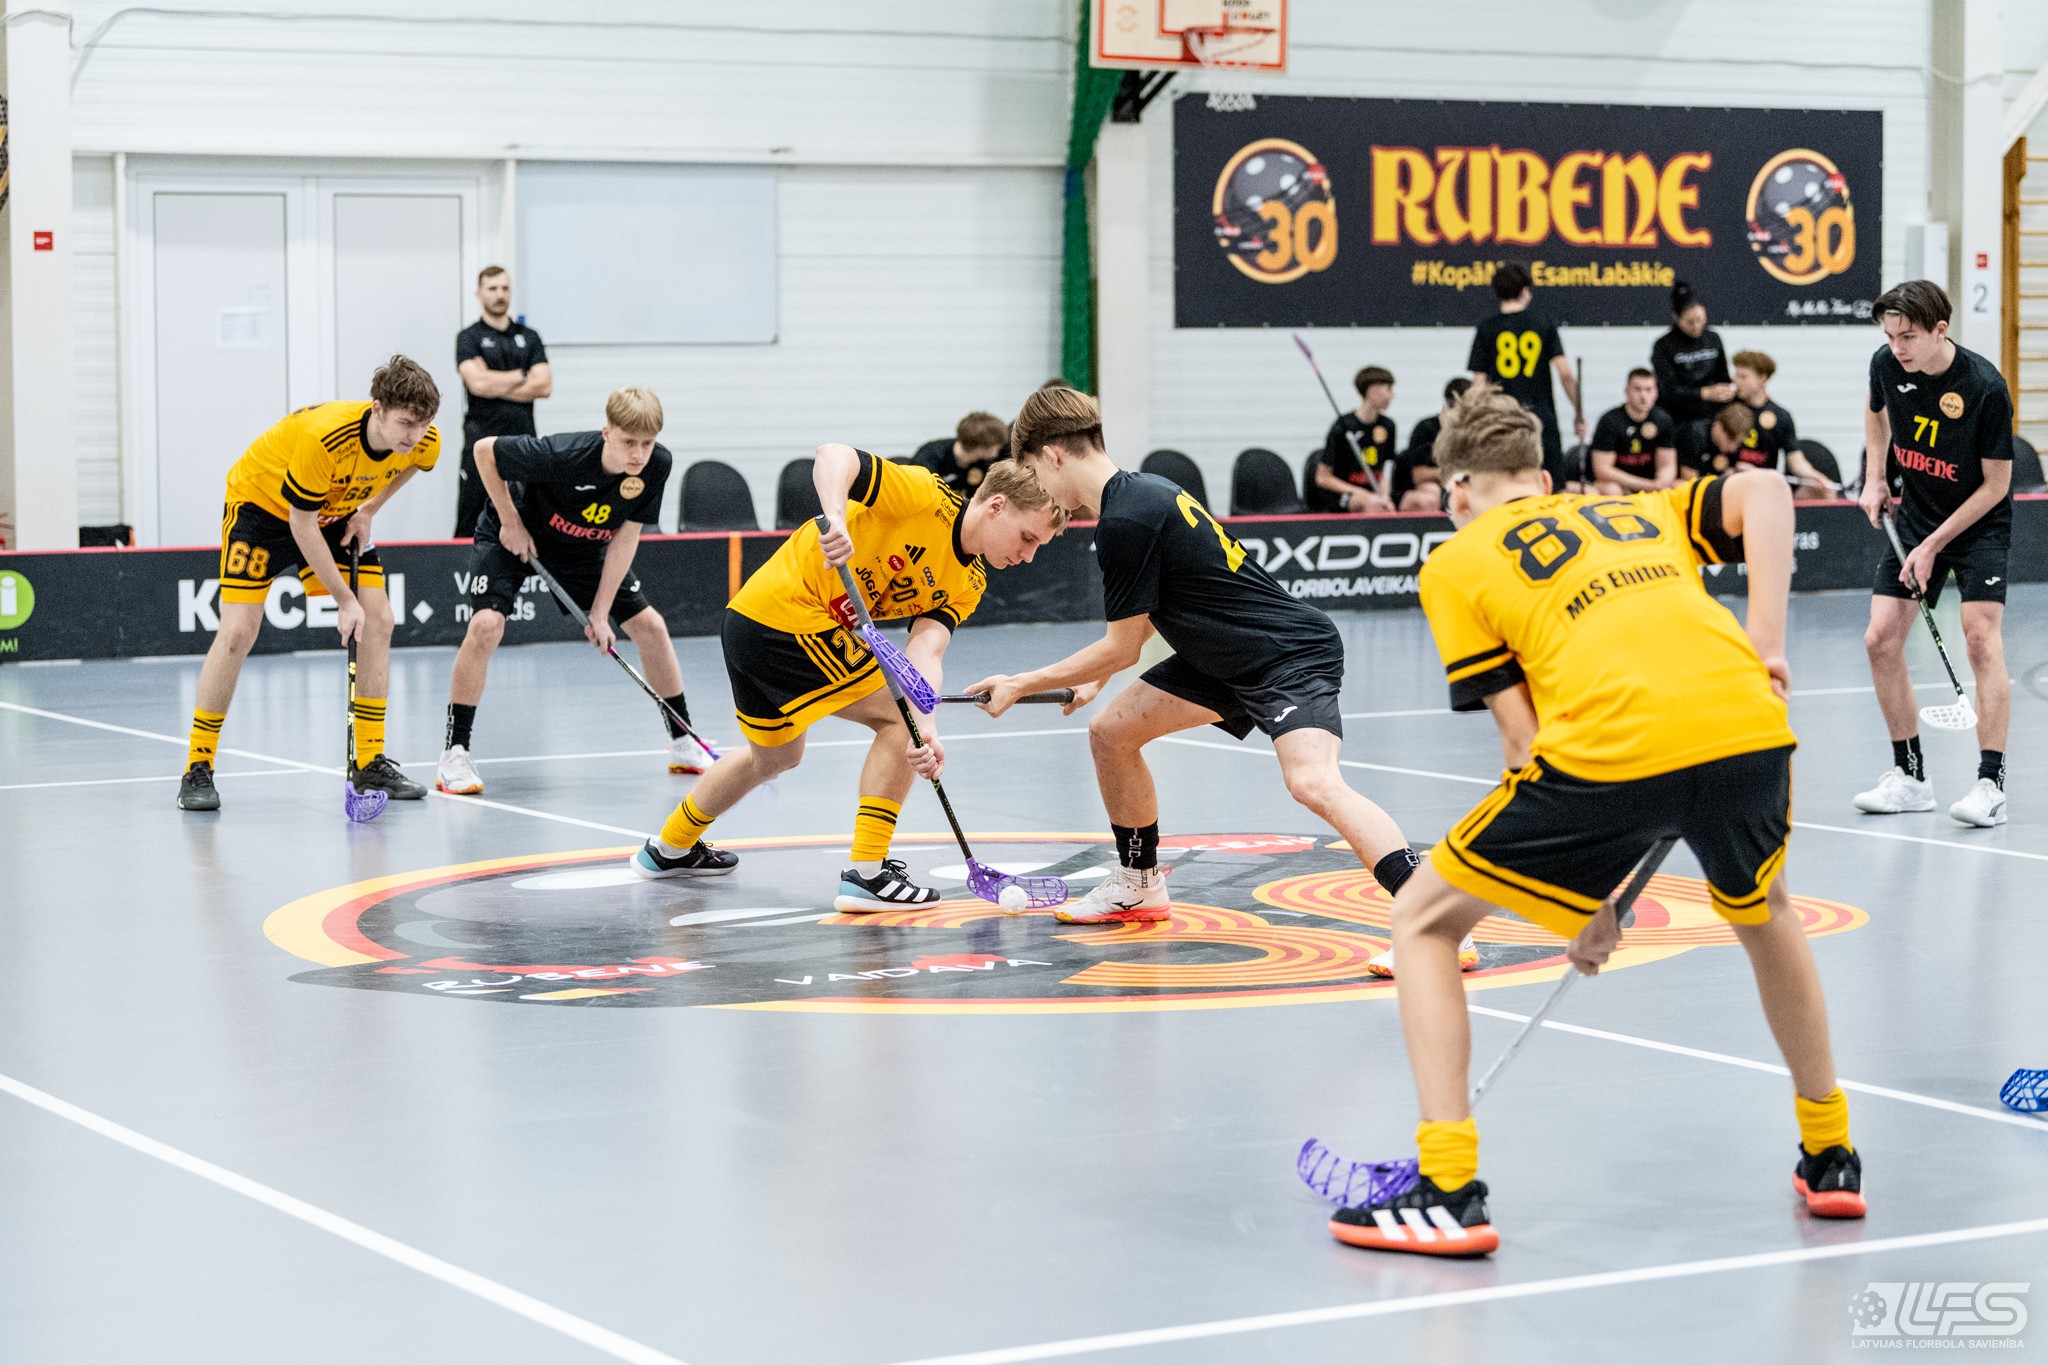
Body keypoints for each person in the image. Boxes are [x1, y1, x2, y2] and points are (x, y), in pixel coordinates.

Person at [1326, 389, 1863, 1258]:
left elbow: (1524, 743)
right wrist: (1767, 644)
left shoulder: (1455, 563)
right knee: (1765, 913)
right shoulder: (1636, 510)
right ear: (1544, 478)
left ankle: (1448, 1186)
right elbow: (1767, 490)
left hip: (1612, 755)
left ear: (1455, 492)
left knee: (1422, 919)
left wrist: (1581, 904)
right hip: (1751, 731)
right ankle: (1831, 1150)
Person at [969, 386, 1450, 952]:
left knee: (1313, 782)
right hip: (1221, 659)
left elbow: (1121, 648)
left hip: (1285, 654)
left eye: (1031, 471)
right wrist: (1093, 680)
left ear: (1051, 455)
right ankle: (1139, 884)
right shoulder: (1147, 493)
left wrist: (1020, 683)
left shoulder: (1126, 519)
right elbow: (1155, 608)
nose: (1038, 490)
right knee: (1112, 732)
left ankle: (1433, 921)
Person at [628, 448, 1066, 909]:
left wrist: (927, 726)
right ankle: (867, 872)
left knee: (775, 757)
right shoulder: (924, 496)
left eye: (1037, 546)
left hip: (751, 624)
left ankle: (669, 847)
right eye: (1027, 537)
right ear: (996, 505)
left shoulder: (969, 583)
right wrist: (836, 517)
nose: (1028, 556)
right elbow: (833, 455)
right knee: (897, 721)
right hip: (789, 616)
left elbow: (925, 651)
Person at [178, 357, 442, 811]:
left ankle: (369, 761)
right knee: (238, 632)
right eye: (406, 423)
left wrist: (369, 510)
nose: (415, 435)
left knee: (379, 621)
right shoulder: (326, 439)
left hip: (331, 511)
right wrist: (344, 600)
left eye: (423, 424)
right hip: (261, 508)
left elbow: (415, 463)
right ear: (378, 409)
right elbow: (301, 525)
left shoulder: (423, 440)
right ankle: (197, 767)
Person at [436, 388, 708, 795]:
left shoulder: (656, 466)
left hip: (580, 548)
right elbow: (484, 451)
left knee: (650, 626)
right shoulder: (562, 455)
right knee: (487, 626)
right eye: (628, 442)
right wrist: (510, 521)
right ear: (607, 433)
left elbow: (625, 538)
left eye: (647, 443)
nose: (638, 454)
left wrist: (600, 612)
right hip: (512, 535)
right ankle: (454, 753)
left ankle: (684, 741)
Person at [1852, 280, 2016, 828]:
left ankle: (1990, 785)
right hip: (1918, 515)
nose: (1897, 347)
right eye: (1890, 336)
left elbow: (1996, 486)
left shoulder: (1985, 387)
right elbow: (1876, 412)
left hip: (1977, 525)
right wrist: (1876, 477)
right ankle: (1911, 778)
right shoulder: (1886, 364)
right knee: (1880, 640)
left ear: (1940, 330)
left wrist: (1932, 546)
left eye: (1908, 337)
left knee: (1979, 638)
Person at [1467, 263, 1584, 489]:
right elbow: (1566, 375)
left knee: (1507, 485)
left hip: (1503, 419)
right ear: (1524, 291)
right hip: (1539, 418)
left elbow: (1478, 386)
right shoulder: (1543, 323)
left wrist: (1476, 424)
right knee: (1551, 485)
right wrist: (1578, 412)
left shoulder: (1486, 328)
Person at [454, 266, 551, 538]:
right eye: (493, 288)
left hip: (523, 443)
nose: (500, 294)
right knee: (470, 520)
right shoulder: (469, 338)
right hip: (480, 442)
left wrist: (492, 380)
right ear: (479, 293)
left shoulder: (529, 336)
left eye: (505, 288)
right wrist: (522, 375)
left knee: (529, 518)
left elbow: (544, 386)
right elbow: (477, 384)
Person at [1650, 281, 1734, 473]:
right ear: (1676, 318)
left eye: (1700, 320)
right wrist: (1703, 393)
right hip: (1679, 417)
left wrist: (1728, 391)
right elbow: (1668, 391)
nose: (1696, 326)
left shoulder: (1713, 338)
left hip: (1710, 415)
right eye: (1690, 322)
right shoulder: (1664, 345)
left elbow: (1723, 376)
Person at [1729, 351, 1829, 499]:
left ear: (1762, 379)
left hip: (1765, 487)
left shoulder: (1780, 416)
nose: (1736, 382)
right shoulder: (1728, 409)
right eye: (1736, 376)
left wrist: (1814, 476)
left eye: (1743, 377)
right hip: (1732, 483)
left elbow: (1795, 458)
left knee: (1817, 492)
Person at [1313, 366, 1399, 513]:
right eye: (1388, 389)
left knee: (1387, 507)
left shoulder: (1388, 426)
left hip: (1374, 493)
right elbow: (1322, 478)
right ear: (1373, 392)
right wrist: (1361, 493)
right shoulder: (1342, 427)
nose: (1392, 395)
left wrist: (1385, 496)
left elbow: (1385, 469)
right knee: (1372, 505)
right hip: (1344, 494)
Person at [1588, 368, 1678, 494]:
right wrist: (1646, 485)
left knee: (1681, 485)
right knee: (1611, 489)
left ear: (1656, 392)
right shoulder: (1610, 420)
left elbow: (1667, 465)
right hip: (1622, 484)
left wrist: (1660, 483)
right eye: (1637, 389)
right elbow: (1602, 470)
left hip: (1651, 483)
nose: (1643, 396)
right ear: (1626, 391)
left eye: (1648, 390)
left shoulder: (1663, 420)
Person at [1395, 377, 1469, 512]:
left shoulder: (1473, 430)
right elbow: (1419, 476)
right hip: (1431, 487)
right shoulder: (1426, 428)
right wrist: (1457, 473)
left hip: (1460, 483)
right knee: (1432, 492)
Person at [910, 411, 1010, 498]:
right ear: (982, 447)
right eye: (997, 446)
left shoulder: (988, 461)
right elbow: (920, 493)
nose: (999, 449)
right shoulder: (929, 458)